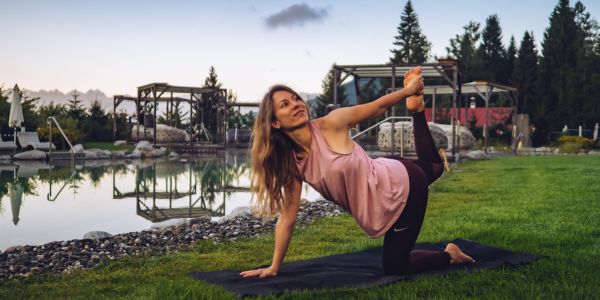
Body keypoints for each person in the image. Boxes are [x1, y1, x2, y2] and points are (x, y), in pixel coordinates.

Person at [240, 67, 474, 279]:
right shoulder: (292, 163)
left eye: (295, 99)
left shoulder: (332, 123)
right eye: (285, 105)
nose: (296, 104)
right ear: (275, 124)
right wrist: (274, 267)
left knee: (396, 267)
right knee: (433, 168)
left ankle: (449, 254)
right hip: (387, 173)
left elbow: (378, 106)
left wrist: (408, 91)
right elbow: (287, 217)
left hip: (402, 188)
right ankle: (418, 111)